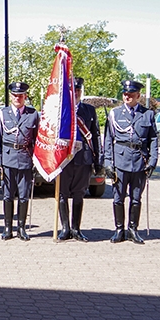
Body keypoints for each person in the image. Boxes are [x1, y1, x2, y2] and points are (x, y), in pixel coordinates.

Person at [103, 80, 158, 244]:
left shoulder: (147, 114)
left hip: (140, 161)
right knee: (118, 197)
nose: (127, 97)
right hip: (120, 160)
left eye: (131, 94)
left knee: (136, 198)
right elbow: (108, 139)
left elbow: (153, 139)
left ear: (138, 96)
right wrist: (107, 162)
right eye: (125, 94)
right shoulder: (115, 114)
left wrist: (153, 161)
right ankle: (119, 229)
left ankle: (133, 229)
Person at [0, 82, 40, 241]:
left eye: (20, 95)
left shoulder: (32, 114)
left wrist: (36, 161)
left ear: (25, 96)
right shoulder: (2, 114)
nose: (17, 98)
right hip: (7, 158)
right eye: (14, 95)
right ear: (10, 96)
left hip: (25, 159)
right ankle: (7, 228)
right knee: (7, 196)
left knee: (24, 196)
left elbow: (36, 141)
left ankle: (21, 228)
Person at [57, 78, 102, 241]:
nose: (75, 93)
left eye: (78, 90)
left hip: (83, 158)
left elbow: (95, 135)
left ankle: (76, 228)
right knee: (62, 194)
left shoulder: (89, 110)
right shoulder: (60, 110)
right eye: (72, 90)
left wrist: (98, 160)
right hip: (64, 159)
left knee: (79, 194)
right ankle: (65, 228)